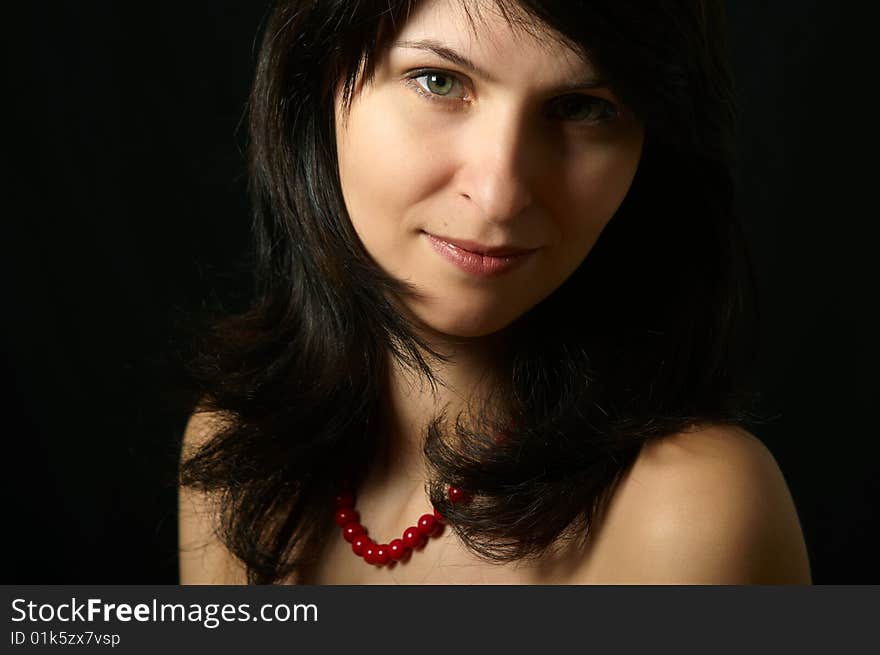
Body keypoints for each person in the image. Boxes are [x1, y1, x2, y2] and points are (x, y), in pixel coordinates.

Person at [178, 0, 811, 585]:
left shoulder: (692, 509)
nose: (500, 194)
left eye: (582, 107)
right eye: (439, 81)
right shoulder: (234, 452)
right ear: (319, 82)